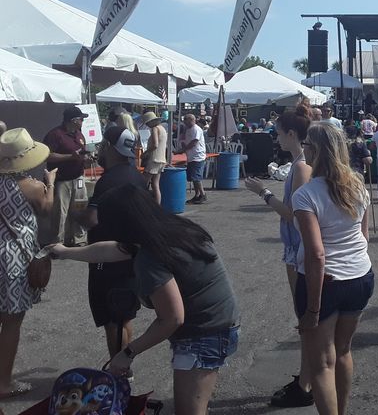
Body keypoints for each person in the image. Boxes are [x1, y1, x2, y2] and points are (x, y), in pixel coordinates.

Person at [49, 185, 240, 415]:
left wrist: (127, 353)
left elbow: (172, 318)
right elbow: (108, 251)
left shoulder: (150, 257)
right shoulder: (167, 230)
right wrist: (64, 252)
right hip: (218, 323)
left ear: (121, 226)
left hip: (205, 333)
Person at [291, 122, 374, 415]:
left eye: (306, 146)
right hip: (359, 276)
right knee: (343, 351)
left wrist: (312, 309)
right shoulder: (358, 185)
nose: (303, 152)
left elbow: (316, 254)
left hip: (325, 281)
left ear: (315, 150)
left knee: (322, 362)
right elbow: (364, 236)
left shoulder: (306, 195)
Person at [244, 103, 314, 408]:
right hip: (297, 245)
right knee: (306, 316)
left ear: (292, 133)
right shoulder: (302, 161)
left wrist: (263, 192)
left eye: (279, 133)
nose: (276, 137)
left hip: (298, 245)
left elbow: (295, 215)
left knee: (306, 317)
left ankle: (306, 382)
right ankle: (306, 378)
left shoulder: (301, 165)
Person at [0, 128, 56, 399]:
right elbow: (46, 210)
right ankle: (3, 382)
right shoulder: (31, 186)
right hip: (13, 260)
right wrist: (51, 183)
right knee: (11, 323)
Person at [85, 125, 146, 359]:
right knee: (125, 315)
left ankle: (118, 368)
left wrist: (77, 213)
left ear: (110, 147)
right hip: (132, 256)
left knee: (113, 320)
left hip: (108, 258)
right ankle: (125, 367)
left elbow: (92, 219)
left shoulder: (107, 181)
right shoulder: (136, 175)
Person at [42, 105, 91, 246]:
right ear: (73, 120)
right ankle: (57, 242)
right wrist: (70, 157)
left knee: (80, 208)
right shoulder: (55, 135)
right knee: (60, 213)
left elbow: (82, 153)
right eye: (81, 119)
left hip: (79, 177)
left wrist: (86, 159)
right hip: (62, 180)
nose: (83, 121)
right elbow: (47, 156)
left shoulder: (79, 134)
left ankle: (79, 239)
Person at [175, 114, 207, 204]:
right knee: (193, 177)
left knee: (196, 177)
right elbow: (185, 141)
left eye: (186, 120)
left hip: (197, 156)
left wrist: (183, 149)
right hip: (191, 156)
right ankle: (197, 195)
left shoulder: (196, 129)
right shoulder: (188, 130)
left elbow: (194, 142)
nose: (184, 122)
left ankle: (202, 194)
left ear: (191, 120)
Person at [141, 112, 167, 204]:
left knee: (143, 183)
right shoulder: (163, 129)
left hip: (154, 159)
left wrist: (145, 153)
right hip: (161, 159)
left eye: (147, 123)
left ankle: (143, 203)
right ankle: (157, 205)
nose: (147, 125)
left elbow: (155, 144)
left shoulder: (155, 129)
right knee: (156, 185)